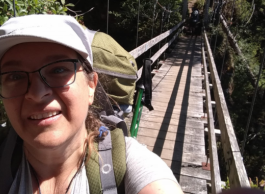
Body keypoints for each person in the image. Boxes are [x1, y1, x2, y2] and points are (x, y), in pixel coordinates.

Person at [0, 15, 183, 194]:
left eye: (58, 70)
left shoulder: (128, 162)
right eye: (15, 76)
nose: (37, 94)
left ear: (91, 86)